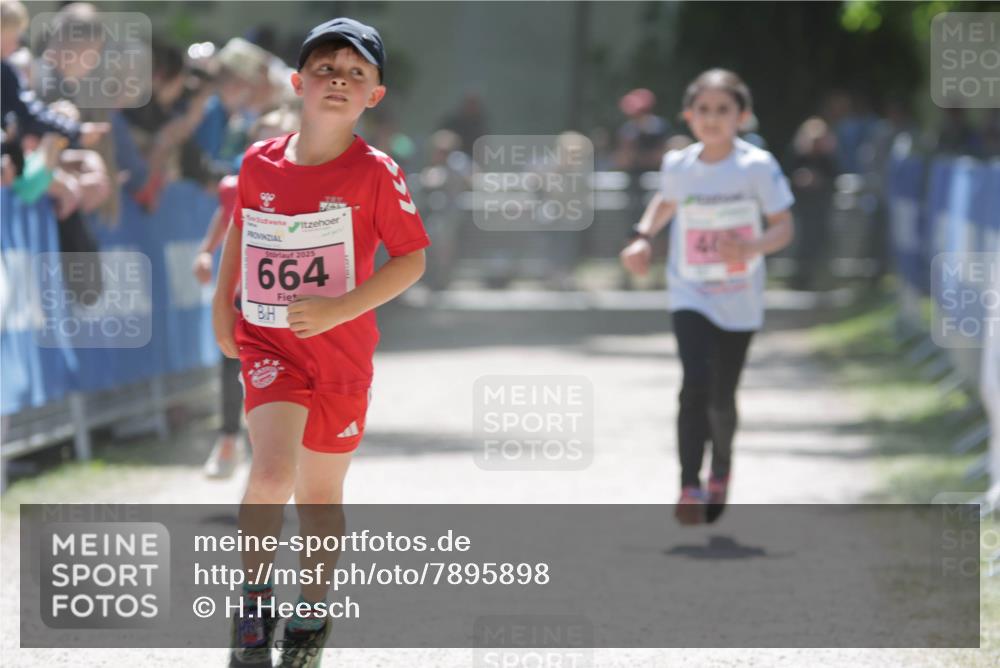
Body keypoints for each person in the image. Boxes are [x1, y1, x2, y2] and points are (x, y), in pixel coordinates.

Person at [211, 18, 428, 667]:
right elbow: (240, 233)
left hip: (340, 356)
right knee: (273, 472)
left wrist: (340, 308)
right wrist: (222, 308)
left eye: (356, 74)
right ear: (298, 84)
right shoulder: (258, 161)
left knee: (318, 495)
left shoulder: (375, 172)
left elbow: (411, 259)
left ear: (374, 96)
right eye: (327, 70)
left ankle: (310, 617)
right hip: (269, 343)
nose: (339, 81)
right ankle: (253, 608)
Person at [619, 69, 794, 525]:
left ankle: (721, 470)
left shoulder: (756, 165)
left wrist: (751, 247)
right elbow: (667, 202)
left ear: (742, 115)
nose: (712, 119)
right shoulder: (680, 164)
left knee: (721, 395)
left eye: (723, 110)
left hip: (739, 295)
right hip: (690, 289)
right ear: (688, 115)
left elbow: (783, 225)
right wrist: (642, 237)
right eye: (704, 110)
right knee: (694, 382)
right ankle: (688, 485)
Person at [195, 108, 300, 480]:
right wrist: (207, 251)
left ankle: (272, 459)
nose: (270, 143)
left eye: (278, 135)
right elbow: (228, 216)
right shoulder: (237, 183)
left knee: (280, 381)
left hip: (293, 302)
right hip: (246, 297)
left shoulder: (307, 183)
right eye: (263, 135)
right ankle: (227, 439)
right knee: (231, 367)